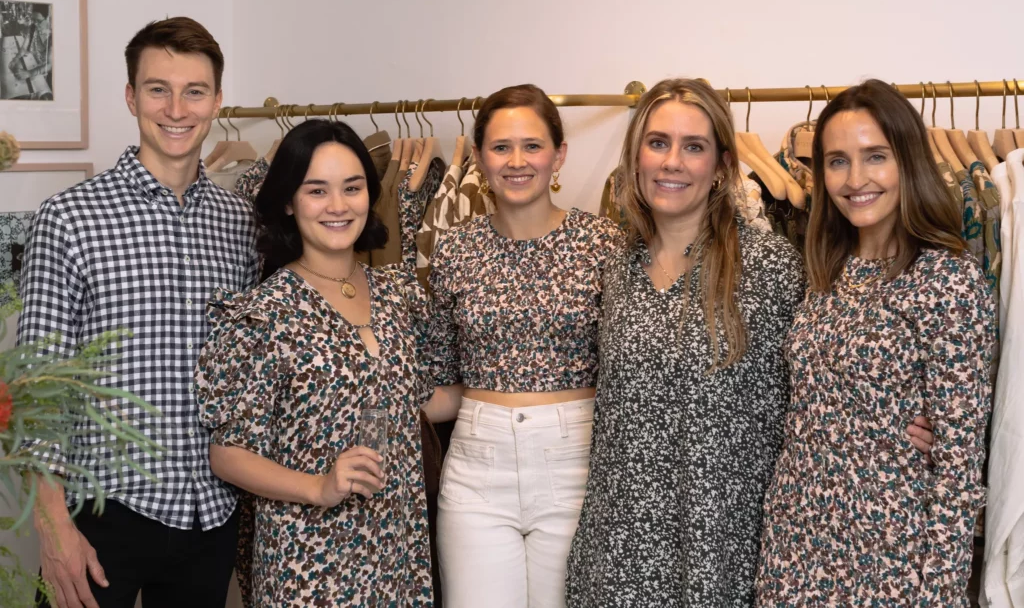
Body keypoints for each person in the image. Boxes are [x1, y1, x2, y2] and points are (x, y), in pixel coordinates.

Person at [19, 17, 257, 608]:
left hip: (211, 514)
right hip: (102, 517)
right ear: (131, 96)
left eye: (194, 91)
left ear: (217, 100)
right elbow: (36, 394)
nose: (176, 108)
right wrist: (54, 533)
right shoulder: (69, 219)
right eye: (158, 89)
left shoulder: (242, 224)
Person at [194, 118, 459, 607]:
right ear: (289, 203)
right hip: (310, 561)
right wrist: (318, 487)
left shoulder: (397, 294)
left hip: (397, 553)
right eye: (317, 190)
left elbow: (424, 400)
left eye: (352, 188)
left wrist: (507, 395)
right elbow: (227, 453)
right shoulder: (264, 314)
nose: (338, 206)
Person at [564, 78, 804, 606]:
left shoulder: (768, 268)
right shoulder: (617, 267)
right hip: (619, 551)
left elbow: (815, 390)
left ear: (720, 166)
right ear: (636, 157)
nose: (672, 161)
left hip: (719, 553)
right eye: (658, 143)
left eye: (692, 147)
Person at [755, 79, 994, 605]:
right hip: (794, 550)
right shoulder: (825, 273)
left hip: (889, 562)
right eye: (837, 161)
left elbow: (958, 469)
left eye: (875, 156)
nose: (855, 179)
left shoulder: (946, 281)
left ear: (908, 161)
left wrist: (939, 592)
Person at [427, 84, 620, 607]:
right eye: (501, 147)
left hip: (576, 462)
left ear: (559, 155)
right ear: (479, 156)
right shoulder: (455, 249)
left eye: (532, 146)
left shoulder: (603, 244)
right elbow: (442, 385)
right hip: (476, 463)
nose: (517, 161)